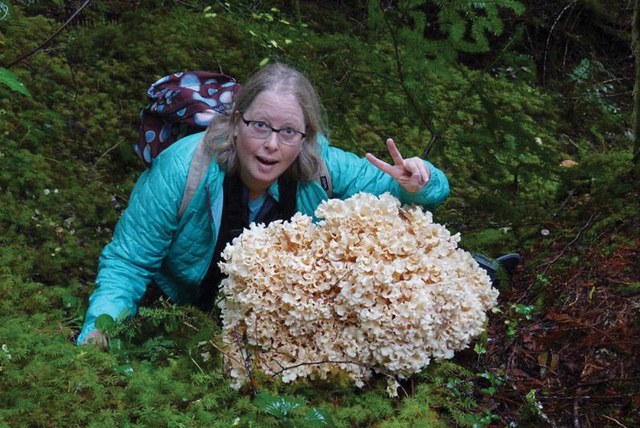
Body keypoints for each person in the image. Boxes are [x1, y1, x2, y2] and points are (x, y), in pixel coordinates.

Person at [76, 62, 450, 347]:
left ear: (305, 138)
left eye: (288, 131)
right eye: (259, 126)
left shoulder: (323, 168)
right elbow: (129, 262)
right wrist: (100, 331)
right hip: (180, 311)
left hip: (270, 328)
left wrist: (422, 181)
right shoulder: (182, 169)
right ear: (237, 122)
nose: (272, 144)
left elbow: (403, 193)